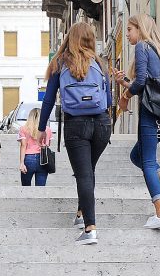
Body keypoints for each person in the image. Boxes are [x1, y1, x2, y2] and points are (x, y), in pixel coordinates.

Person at [39, 22, 112, 245]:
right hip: (101, 124)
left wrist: (42, 128)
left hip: (75, 125)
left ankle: (90, 228)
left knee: (83, 174)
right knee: (88, 171)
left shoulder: (59, 63)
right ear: (90, 39)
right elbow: (108, 99)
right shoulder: (100, 63)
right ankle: (82, 214)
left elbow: (49, 99)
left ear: (69, 38)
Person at [113, 13, 160, 228]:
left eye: (130, 30)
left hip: (150, 113)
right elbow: (149, 82)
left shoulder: (142, 47)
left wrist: (124, 98)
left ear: (140, 29)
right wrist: (124, 82)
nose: (128, 34)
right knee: (137, 155)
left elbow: (142, 83)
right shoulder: (159, 51)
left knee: (148, 161)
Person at [18, 108, 51, 186]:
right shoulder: (47, 129)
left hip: (28, 158)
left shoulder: (23, 129)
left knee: (25, 187)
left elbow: (23, 145)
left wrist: (22, 163)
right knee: (40, 188)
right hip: (43, 160)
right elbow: (48, 144)